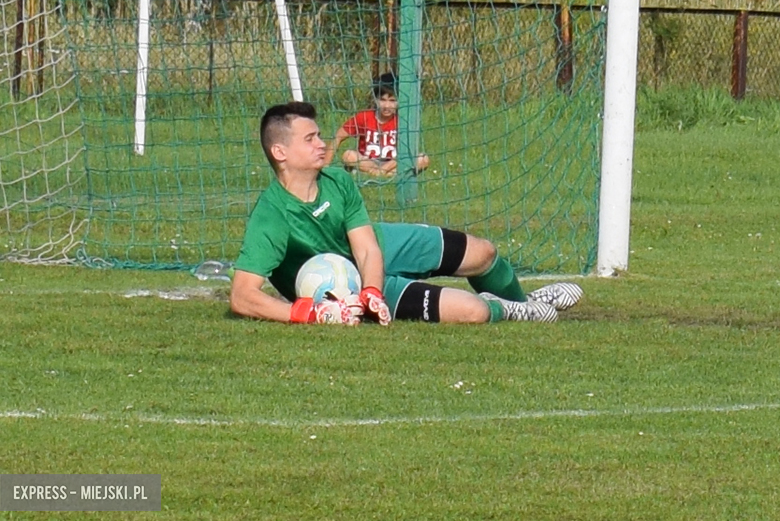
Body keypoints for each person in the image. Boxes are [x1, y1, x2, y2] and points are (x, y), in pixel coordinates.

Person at [230, 101, 583, 325]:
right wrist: (310, 313)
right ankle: (515, 310)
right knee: (473, 312)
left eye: (319, 135)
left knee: (483, 252)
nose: (322, 144)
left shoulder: (338, 181)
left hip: (379, 250)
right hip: (347, 289)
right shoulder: (271, 215)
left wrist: (372, 291)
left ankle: (524, 300)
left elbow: (367, 248)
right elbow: (243, 295)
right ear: (280, 152)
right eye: (310, 139)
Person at [323, 71, 430, 178]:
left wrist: (384, 168)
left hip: (393, 162)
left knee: (423, 159)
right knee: (348, 155)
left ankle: (377, 174)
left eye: (392, 101)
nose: (387, 106)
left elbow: (407, 152)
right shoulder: (364, 117)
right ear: (375, 99)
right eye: (382, 100)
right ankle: (389, 175)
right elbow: (338, 137)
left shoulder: (402, 121)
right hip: (367, 161)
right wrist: (324, 167)